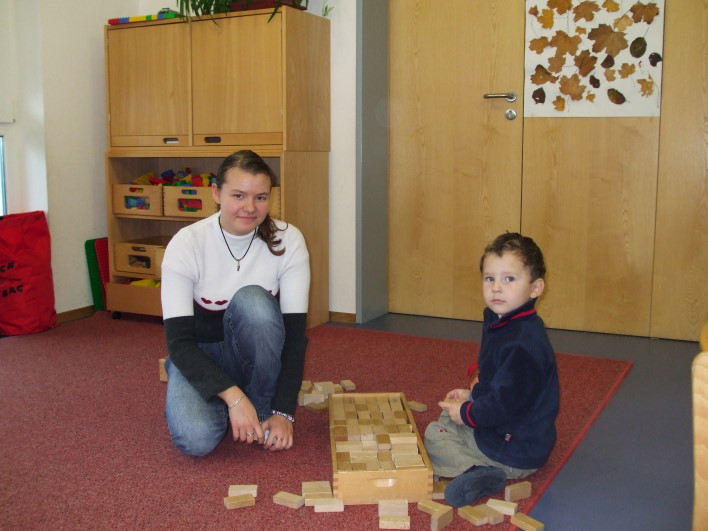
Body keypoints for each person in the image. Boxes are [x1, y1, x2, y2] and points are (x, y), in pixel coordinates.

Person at [160, 149, 310, 457]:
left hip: (252, 361)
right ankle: (233, 400)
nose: (250, 208)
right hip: (200, 354)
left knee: (254, 302)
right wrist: (233, 397)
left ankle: (261, 404)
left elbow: (295, 338)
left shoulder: (289, 240)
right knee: (196, 441)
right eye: (238, 195)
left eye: (260, 197)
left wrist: (283, 411)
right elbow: (179, 344)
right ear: (216, 193)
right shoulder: (186, 243)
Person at [424, 232, 560, 507]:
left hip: (514, 450)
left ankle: (477, 472)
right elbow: (502, 380)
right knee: (448, 415)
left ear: (535, 288)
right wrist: (472, 394)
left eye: (509, 279)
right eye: (489, 279)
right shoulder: (503, 320)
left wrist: (468, 412)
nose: (497, 288)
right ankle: (475, 464)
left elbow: (506, 405)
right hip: (515, 433)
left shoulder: (522, 344)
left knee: (434, 435)